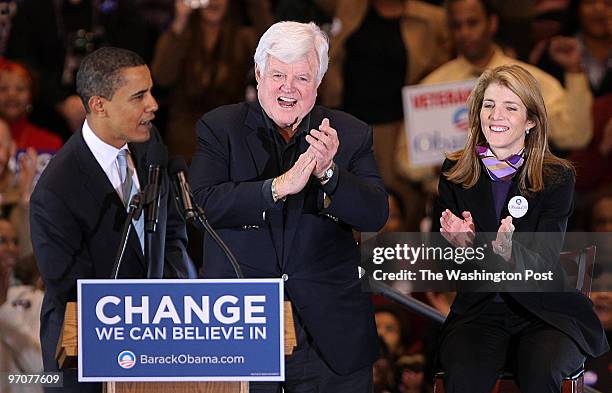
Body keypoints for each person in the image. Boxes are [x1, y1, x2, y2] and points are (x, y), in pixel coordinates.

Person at [189, 21, 389, 392]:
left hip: (329, 337)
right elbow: (202, 207)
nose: (288, 88)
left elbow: (375, 213)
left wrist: (330, 173)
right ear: (260, 73)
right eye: (278, 74)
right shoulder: (220, 128)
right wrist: (276, 188)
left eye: (302, 78)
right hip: (241, 329)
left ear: (319, 82)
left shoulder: (351, 133)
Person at [432, 64, 608, 393]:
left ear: (530, 121)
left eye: (510, 107)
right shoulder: (455, 170)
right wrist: (457, 248)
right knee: (464, 378)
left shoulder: (556, 177)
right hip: (480, 312)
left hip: (545, 313)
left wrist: (504, 252)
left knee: (541, 373)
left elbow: (542, 262)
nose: (496, 116)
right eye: (489, 105)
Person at [29, 47, 196, 393]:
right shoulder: (56, 190)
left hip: (160, 348)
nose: (153, 105)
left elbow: (174, 229)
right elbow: (68, 287)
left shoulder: (150, 145)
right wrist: (144, 318)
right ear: (99, 105)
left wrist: (180, 299)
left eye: (150, 91)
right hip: (85, 362)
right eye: (139, 97)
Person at [396, 0, 596, 194]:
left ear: (492, 23)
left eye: (472, 23)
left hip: (520, 199)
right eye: (457, 25)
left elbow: (575, 136)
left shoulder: (531, 80)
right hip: (453, 203)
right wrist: (449, 162)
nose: (465, 33)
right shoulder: (432, 86)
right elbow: (405, 163)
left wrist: (574, 69)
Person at [151, 0, 272, 162]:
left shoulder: (243, 39)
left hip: (230, 140)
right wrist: (179, 21)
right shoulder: (182, 36)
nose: (213, 2)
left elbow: (272, 45)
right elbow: (161, 77)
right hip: (184, 143)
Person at [0, 219, 44, 393]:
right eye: (2, 241)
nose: (11, 248)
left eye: (15, 241)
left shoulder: (34, 298)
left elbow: (43, 372)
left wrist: (3, 308)